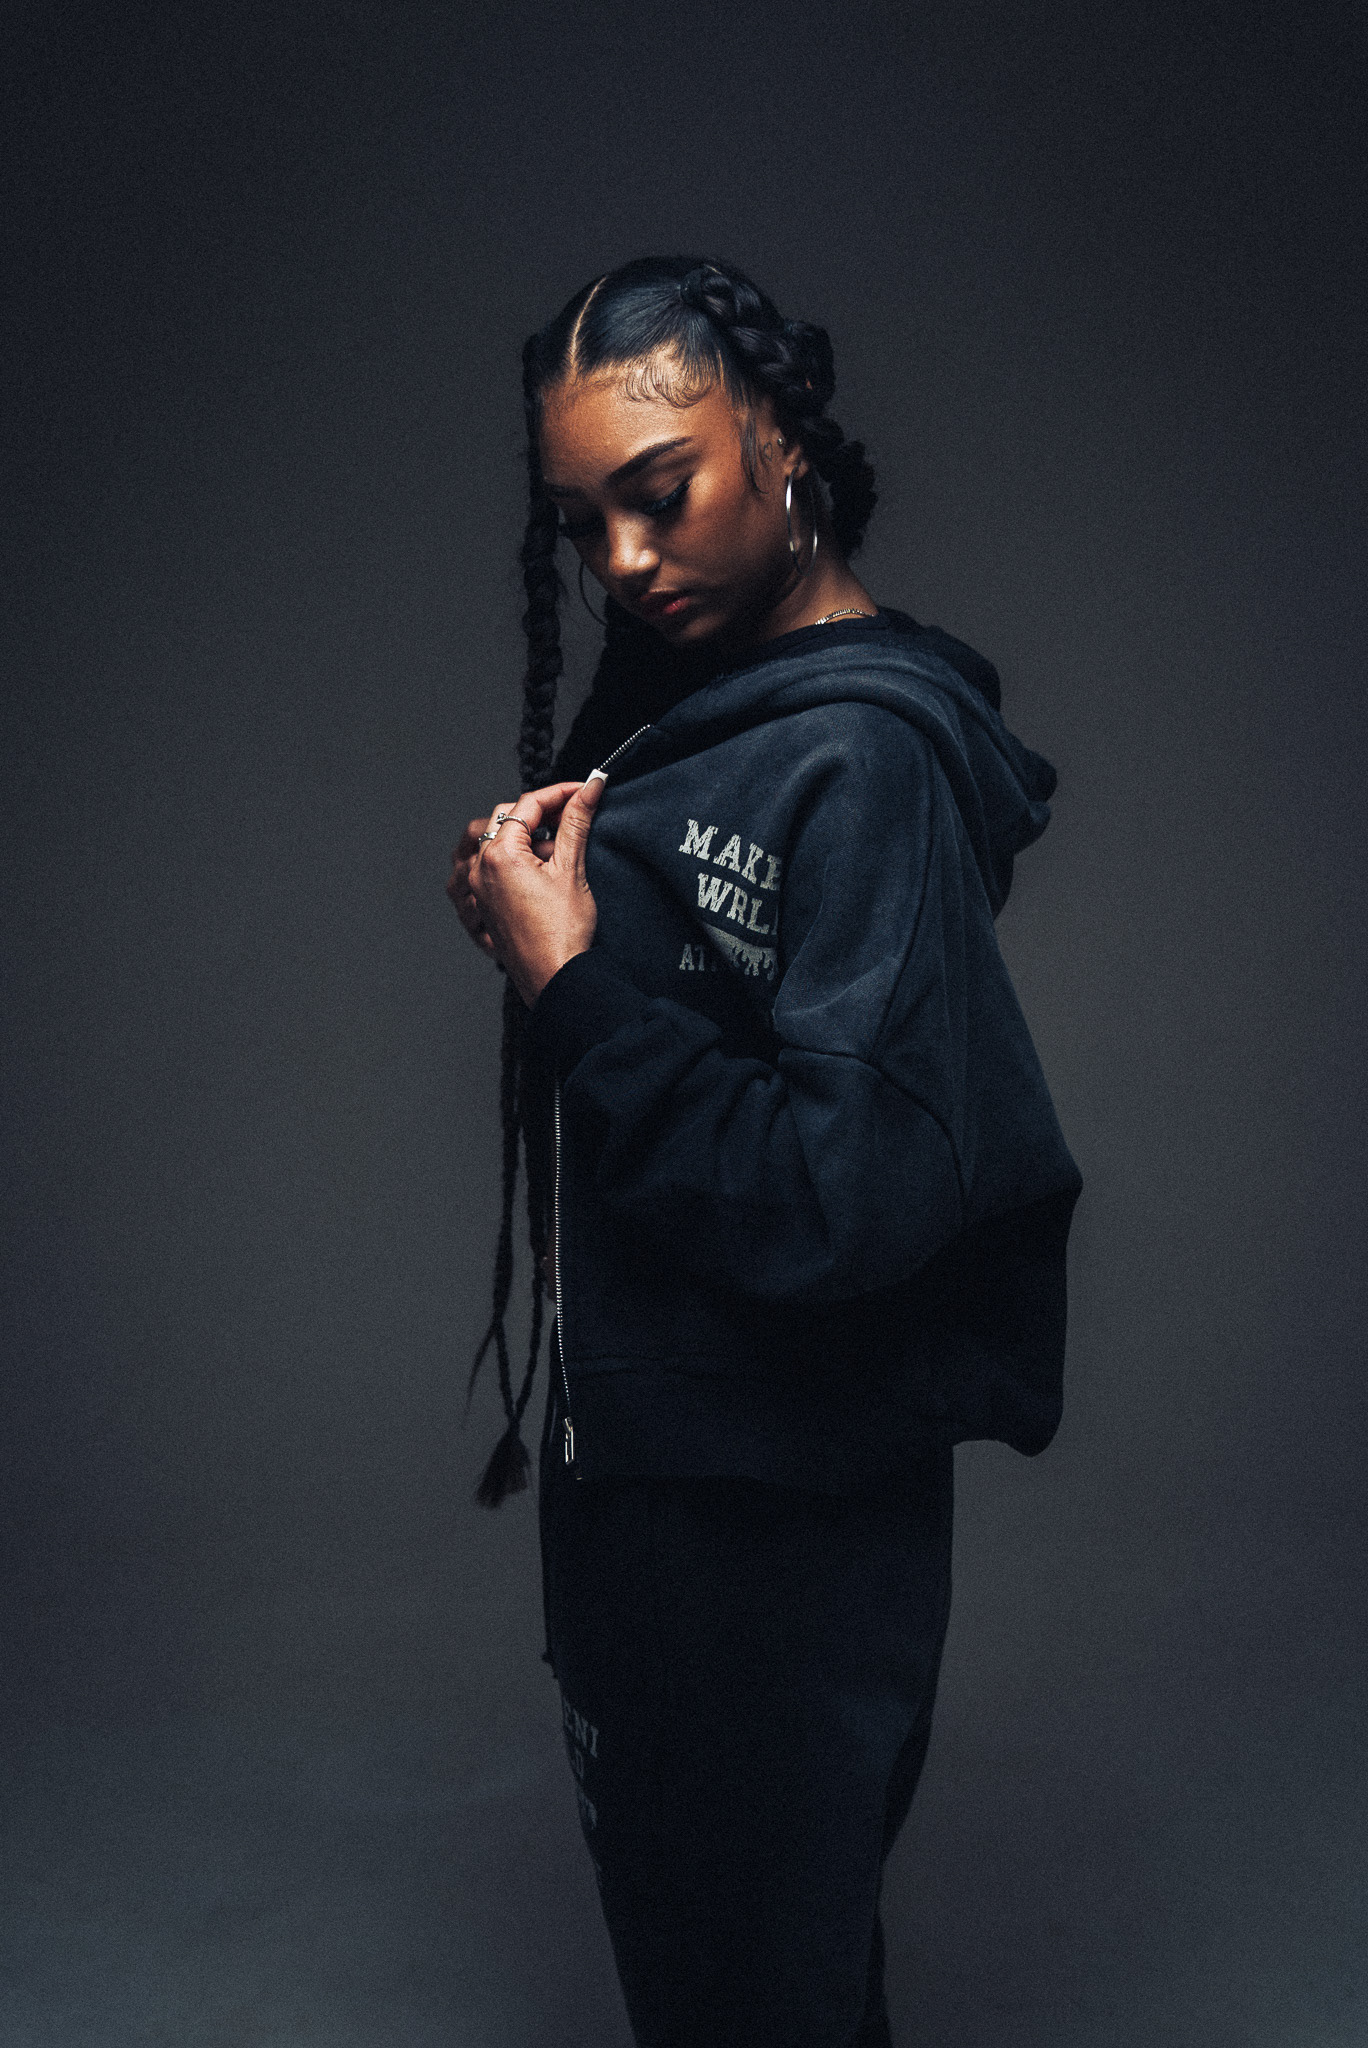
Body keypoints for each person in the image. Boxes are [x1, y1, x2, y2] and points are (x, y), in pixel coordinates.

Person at [446, 256, 1081, 2048]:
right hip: (652, 1483)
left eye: (663, 491)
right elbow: (685, 1034)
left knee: (752, 2000)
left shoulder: (865, 760)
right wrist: (546, 931)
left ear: (783, 438)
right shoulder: (690, 705)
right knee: (724, 1989)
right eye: (584, 524)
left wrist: (574, 983)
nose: (627, 560)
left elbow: (835, 1198)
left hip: (777, 1525)